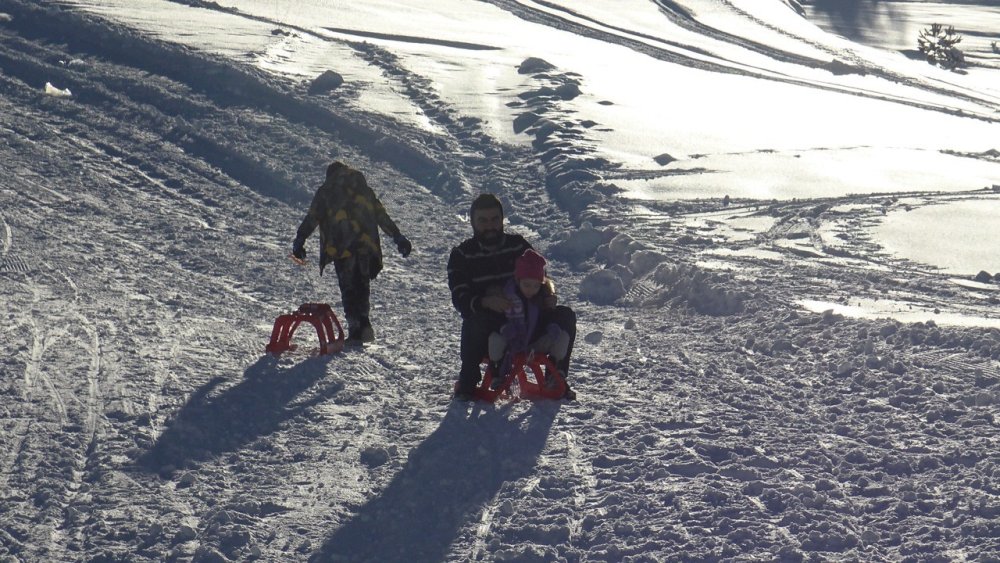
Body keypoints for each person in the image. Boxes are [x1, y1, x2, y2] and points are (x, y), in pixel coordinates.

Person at [447, 194, 576, 400]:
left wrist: (549, 293)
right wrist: (486, 301)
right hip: (493, 326)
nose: (490, 226)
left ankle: (555, 376)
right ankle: (468, 382)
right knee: (474, 321)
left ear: (502, 219)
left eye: (495, 219)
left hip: (530, 320)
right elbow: (460, 297)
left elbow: (543, 276)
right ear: (473, 222)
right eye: (483, 220)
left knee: (565, 315)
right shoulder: (462, 254)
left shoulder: (518, 246)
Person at [290, 161, 412, 344]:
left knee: (348, 288)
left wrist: (300, 240)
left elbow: (313, 218)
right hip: (365, 246)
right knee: (362, 285)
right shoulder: (363, 188)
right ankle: (364, 323)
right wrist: (398, 237)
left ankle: (355, 329)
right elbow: (381, 215)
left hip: (341, 247)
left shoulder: (327, 190)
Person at [487, 249, 571, 390]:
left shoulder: (542, 298)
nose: (531, 290)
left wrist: (551, 327)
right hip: (512, 341)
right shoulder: (507, 296)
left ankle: (555, 370)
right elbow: (496, 318)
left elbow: (547, 318)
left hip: (535, 343)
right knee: (495, 340)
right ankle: (497, 375)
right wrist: (504, 328)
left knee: (563, 337)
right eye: (527, 285)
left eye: (536, 286)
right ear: (518, 280)